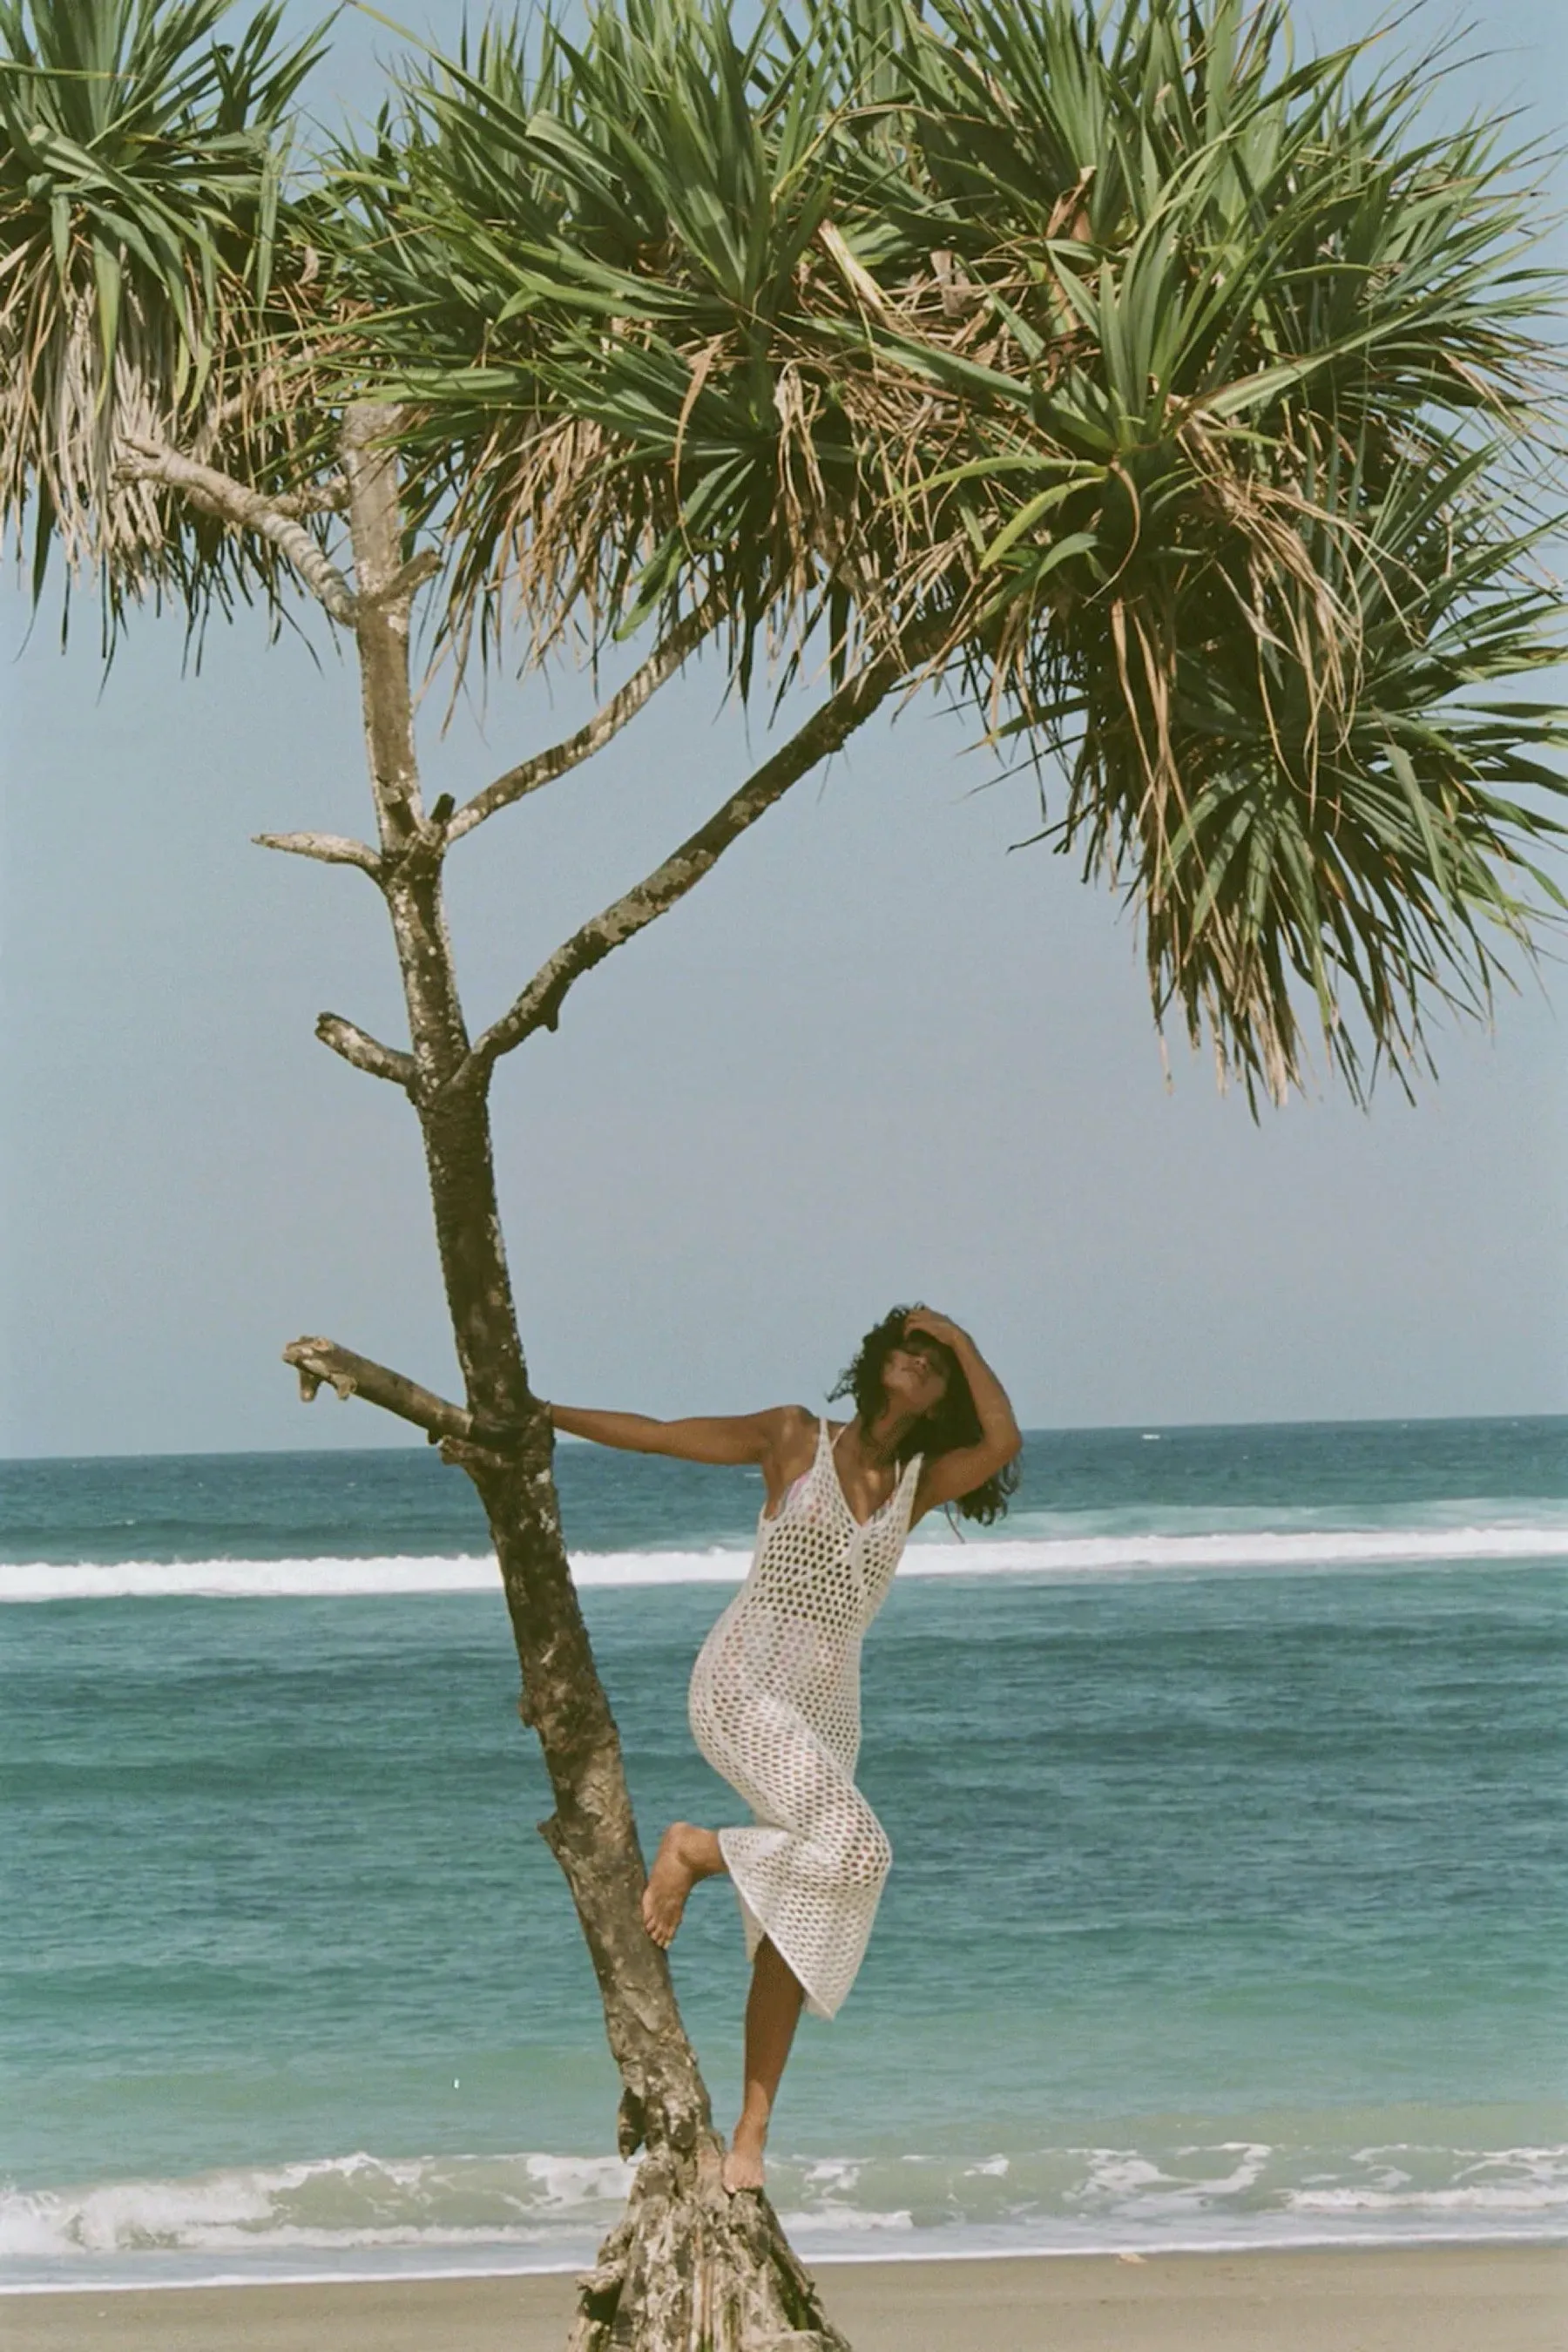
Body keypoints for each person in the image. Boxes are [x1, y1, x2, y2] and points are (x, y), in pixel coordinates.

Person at [548, 1305, 1023, 2193]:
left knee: (793, 1923)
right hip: (743, 1685)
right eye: (912, 1348)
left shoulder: (918, 1482)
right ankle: (694, 1848)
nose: (920, 1364)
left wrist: (961, 1337)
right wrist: (546, 1416)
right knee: (861, 1851)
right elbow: (659, 1437)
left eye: (937, 1363)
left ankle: (751, 2138)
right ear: (880, 1358)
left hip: (828, 1716)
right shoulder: (795, 1438)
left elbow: (1004, 1438)